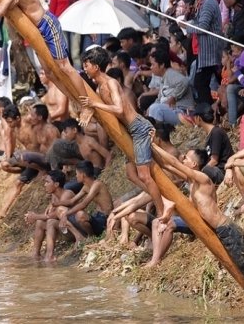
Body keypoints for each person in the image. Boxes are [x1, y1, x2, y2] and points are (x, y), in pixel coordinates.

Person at [151, 142, 244, 310]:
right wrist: (149, 148)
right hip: (222, 232)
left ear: (194, 164)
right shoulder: (192, 183)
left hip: (227, 230)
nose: (183, 159)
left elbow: (173, 163)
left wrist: (151, 143)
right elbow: (166, 164)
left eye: (185, 158)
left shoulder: (203, 180)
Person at [0, 0, 92, 126]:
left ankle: (86, 105)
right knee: (50, 74)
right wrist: (1, 5)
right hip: (35, 33)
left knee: (64, 66)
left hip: (46, 24)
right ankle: (75, 100)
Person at [79, 46, 173, 223]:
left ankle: (163, 208)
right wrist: (88, 111)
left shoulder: (111, 83)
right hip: (129, 133)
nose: (85, 68)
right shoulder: (99, 89)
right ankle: (161, 198)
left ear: (96, 67)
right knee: (131, 173)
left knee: (146, 175)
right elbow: (101, 110)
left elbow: (119, 109)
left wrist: (95, 105)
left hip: (137, 128)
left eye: (87, 65)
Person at [0, 104, 59, 218]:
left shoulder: (28, 120)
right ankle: (2, 212)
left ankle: (42, 170)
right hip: (28, 161)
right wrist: (8, 156)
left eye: (11, 121)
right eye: (7, 122)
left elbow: (43, 119)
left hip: (40, 157)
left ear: (18, 118)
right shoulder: (12, 128)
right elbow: (9, 140)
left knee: (22, 156)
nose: (9, 124)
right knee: (9, 170)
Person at [185, 0, 224, 105]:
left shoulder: (208, 4)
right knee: (202, 82)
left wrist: (186, 27)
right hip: (206, 51)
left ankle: (206, 111)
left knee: (201, 83)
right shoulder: (205, 3)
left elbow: (202, 27)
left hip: (209, 50)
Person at [58, 161, 113, 242]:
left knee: (80, 215)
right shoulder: (86, 187)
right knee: (76, 214)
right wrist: (54, 204)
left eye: (77, 173)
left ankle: (92, 238)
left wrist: (66, 214)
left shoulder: (97, 185)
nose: (76, 176)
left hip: (105, 219)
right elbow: (71, 201)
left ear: (83, 174)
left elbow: (84, 204)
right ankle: (91, 237)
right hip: (97, 217)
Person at [24, 170, 73, 262]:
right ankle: (36, 254)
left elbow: (55, 216)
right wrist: (34, 217)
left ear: (56, 184)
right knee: (40, 222)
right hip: (63, 229)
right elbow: (49, 214)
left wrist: (35, 216)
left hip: (72, 230)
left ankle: (49, 255)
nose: (45, 185)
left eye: (47, 182)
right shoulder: (54, 195)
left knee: (50, 222)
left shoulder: (67, 194)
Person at [146, 48, 195, 127]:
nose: (151, 67)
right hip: (174, 111)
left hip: (183, 113)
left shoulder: (170, 73)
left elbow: (184, 82)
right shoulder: (164, 77)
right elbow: (159, 99)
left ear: (162, 65)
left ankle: (160, 133)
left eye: (153, 64)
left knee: (155, 109)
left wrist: (173, 97)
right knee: (152, 108)